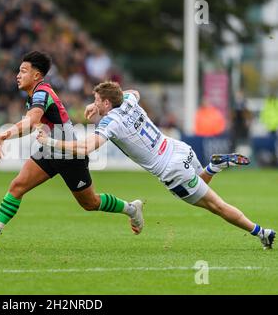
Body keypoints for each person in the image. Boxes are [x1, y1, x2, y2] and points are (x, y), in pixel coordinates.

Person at [37, 81, 275, 250]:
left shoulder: (111, 122)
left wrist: (50, 141)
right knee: (202, 188)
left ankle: (262, 233)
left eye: (98, 100)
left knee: (217, 206)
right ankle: (213, 167)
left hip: (170, 169)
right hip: (180, 149)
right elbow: (133, 92)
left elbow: (86, 148)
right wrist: (95, 105)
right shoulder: (128, 101)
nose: (95, 104)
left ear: (108, 103)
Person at [0, 51, 144, 249]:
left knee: (90, 203)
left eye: (23, 71)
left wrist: (4, 135)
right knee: (17, 186)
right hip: (49, 151)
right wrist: (5, 136)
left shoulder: (42, 93)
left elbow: (30, 122)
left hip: (69, 154)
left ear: (36, 76)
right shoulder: (34, 95)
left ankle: (131, 209)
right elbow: (31, 125)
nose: (18, 75)